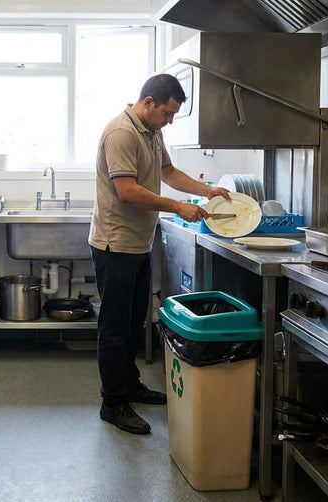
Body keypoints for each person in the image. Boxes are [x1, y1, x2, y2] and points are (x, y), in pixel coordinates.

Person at [88, 74, 230, 435]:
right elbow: (128, 192)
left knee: (135, 321)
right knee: (116, 327)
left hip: (138, 242)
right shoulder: (121, 133)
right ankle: (113, 402)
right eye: (167, 113)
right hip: (115, 243)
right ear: (148, 102)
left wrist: (206, 190)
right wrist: (177, 207)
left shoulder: (151, 131)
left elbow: (166, 171)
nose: (169, 120)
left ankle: (130, 385)